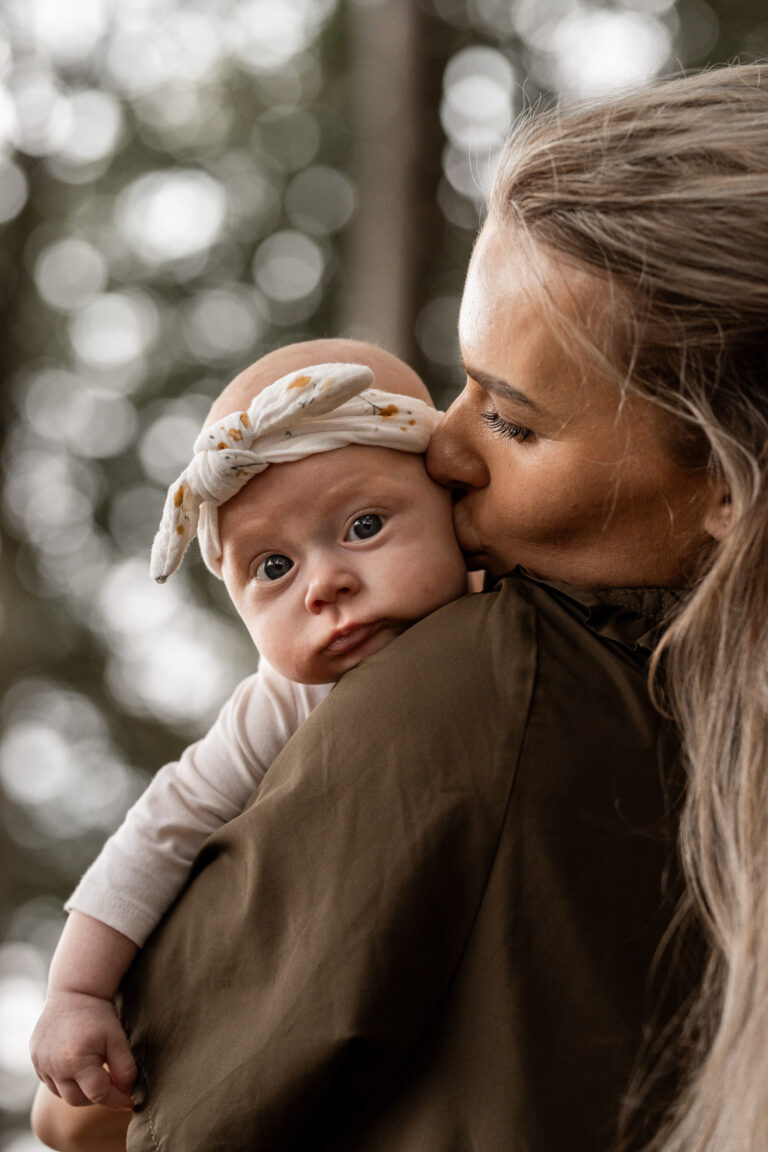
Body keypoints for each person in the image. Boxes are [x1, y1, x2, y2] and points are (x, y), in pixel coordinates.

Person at [42, 61, 768, 1152]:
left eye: (514, 423)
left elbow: (98, 1119)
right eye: (459, 382)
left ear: (728, 485)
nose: (440, 443)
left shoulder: (486, 680)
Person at [29, 340, 469, 1148]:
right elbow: (164, 826)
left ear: (453, 502)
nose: (322, 583)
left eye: (364, 526)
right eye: (273, 567)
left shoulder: (515, 608)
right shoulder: (282, 702)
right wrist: (79, 993)